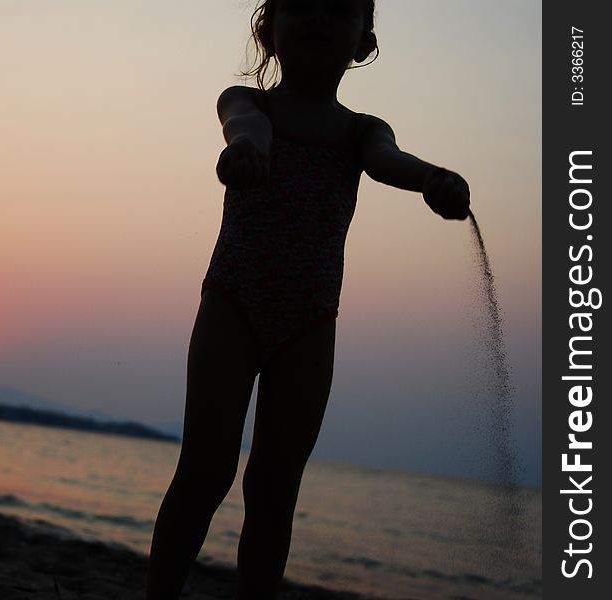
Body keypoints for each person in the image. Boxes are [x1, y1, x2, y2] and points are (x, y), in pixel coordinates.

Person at [145, 0, 470, 598]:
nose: (321, 15)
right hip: (232, 303)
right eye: (302, 2)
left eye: (339, 7)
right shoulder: (251, 104)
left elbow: (386, 160)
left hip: (311, 321)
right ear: (268, 29)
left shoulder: (360, 129)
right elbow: (244, 125)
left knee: (274, 487)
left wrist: (431, 177)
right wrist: (248, 150)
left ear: (363, 44)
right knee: (204, 472)